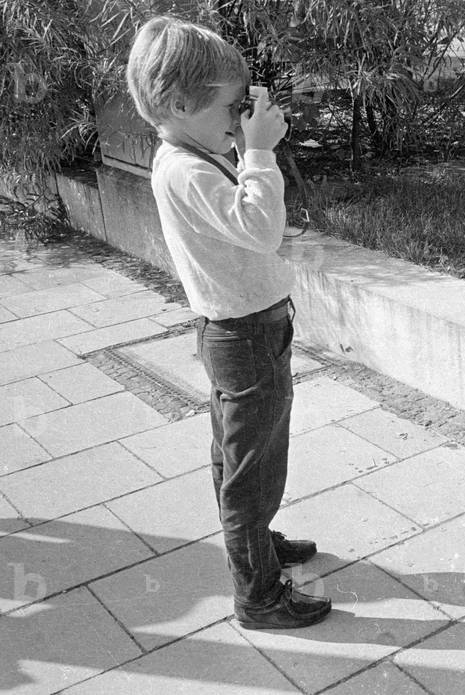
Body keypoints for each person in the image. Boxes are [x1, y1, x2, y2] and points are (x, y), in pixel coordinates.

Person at [126, 16, 330, 629]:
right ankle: (258, 596)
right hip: (245, 336)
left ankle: (256, 543)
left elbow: (242, 217)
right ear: (182, 103)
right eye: (231, 105)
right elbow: (260, 229)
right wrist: (261, 150)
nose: (240, 114)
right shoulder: (185, 169)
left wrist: (244, 146)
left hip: (244, 331)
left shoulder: (192, 153)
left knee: (244, 454)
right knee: (253, 468)